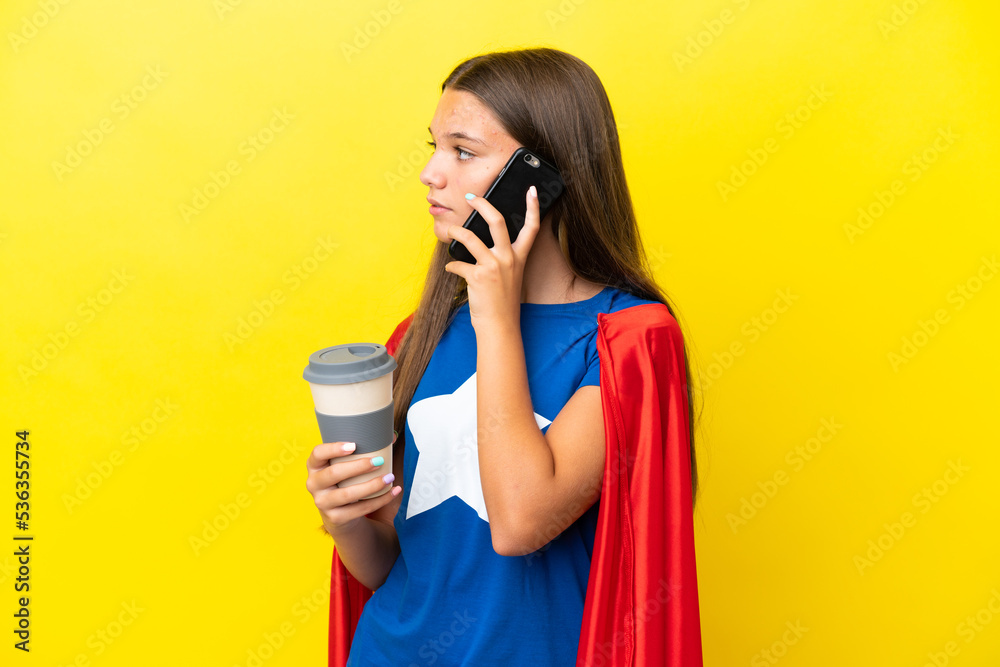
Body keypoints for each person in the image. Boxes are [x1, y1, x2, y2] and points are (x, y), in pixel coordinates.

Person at [306, 47, 703, 666]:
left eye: (463, 151)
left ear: (540, 178)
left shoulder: (629, 340)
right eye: (434, 146)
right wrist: (347, 520)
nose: (431, 174)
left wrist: (496, 316)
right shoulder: (415, 336)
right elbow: (391, 566)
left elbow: (520, 523)